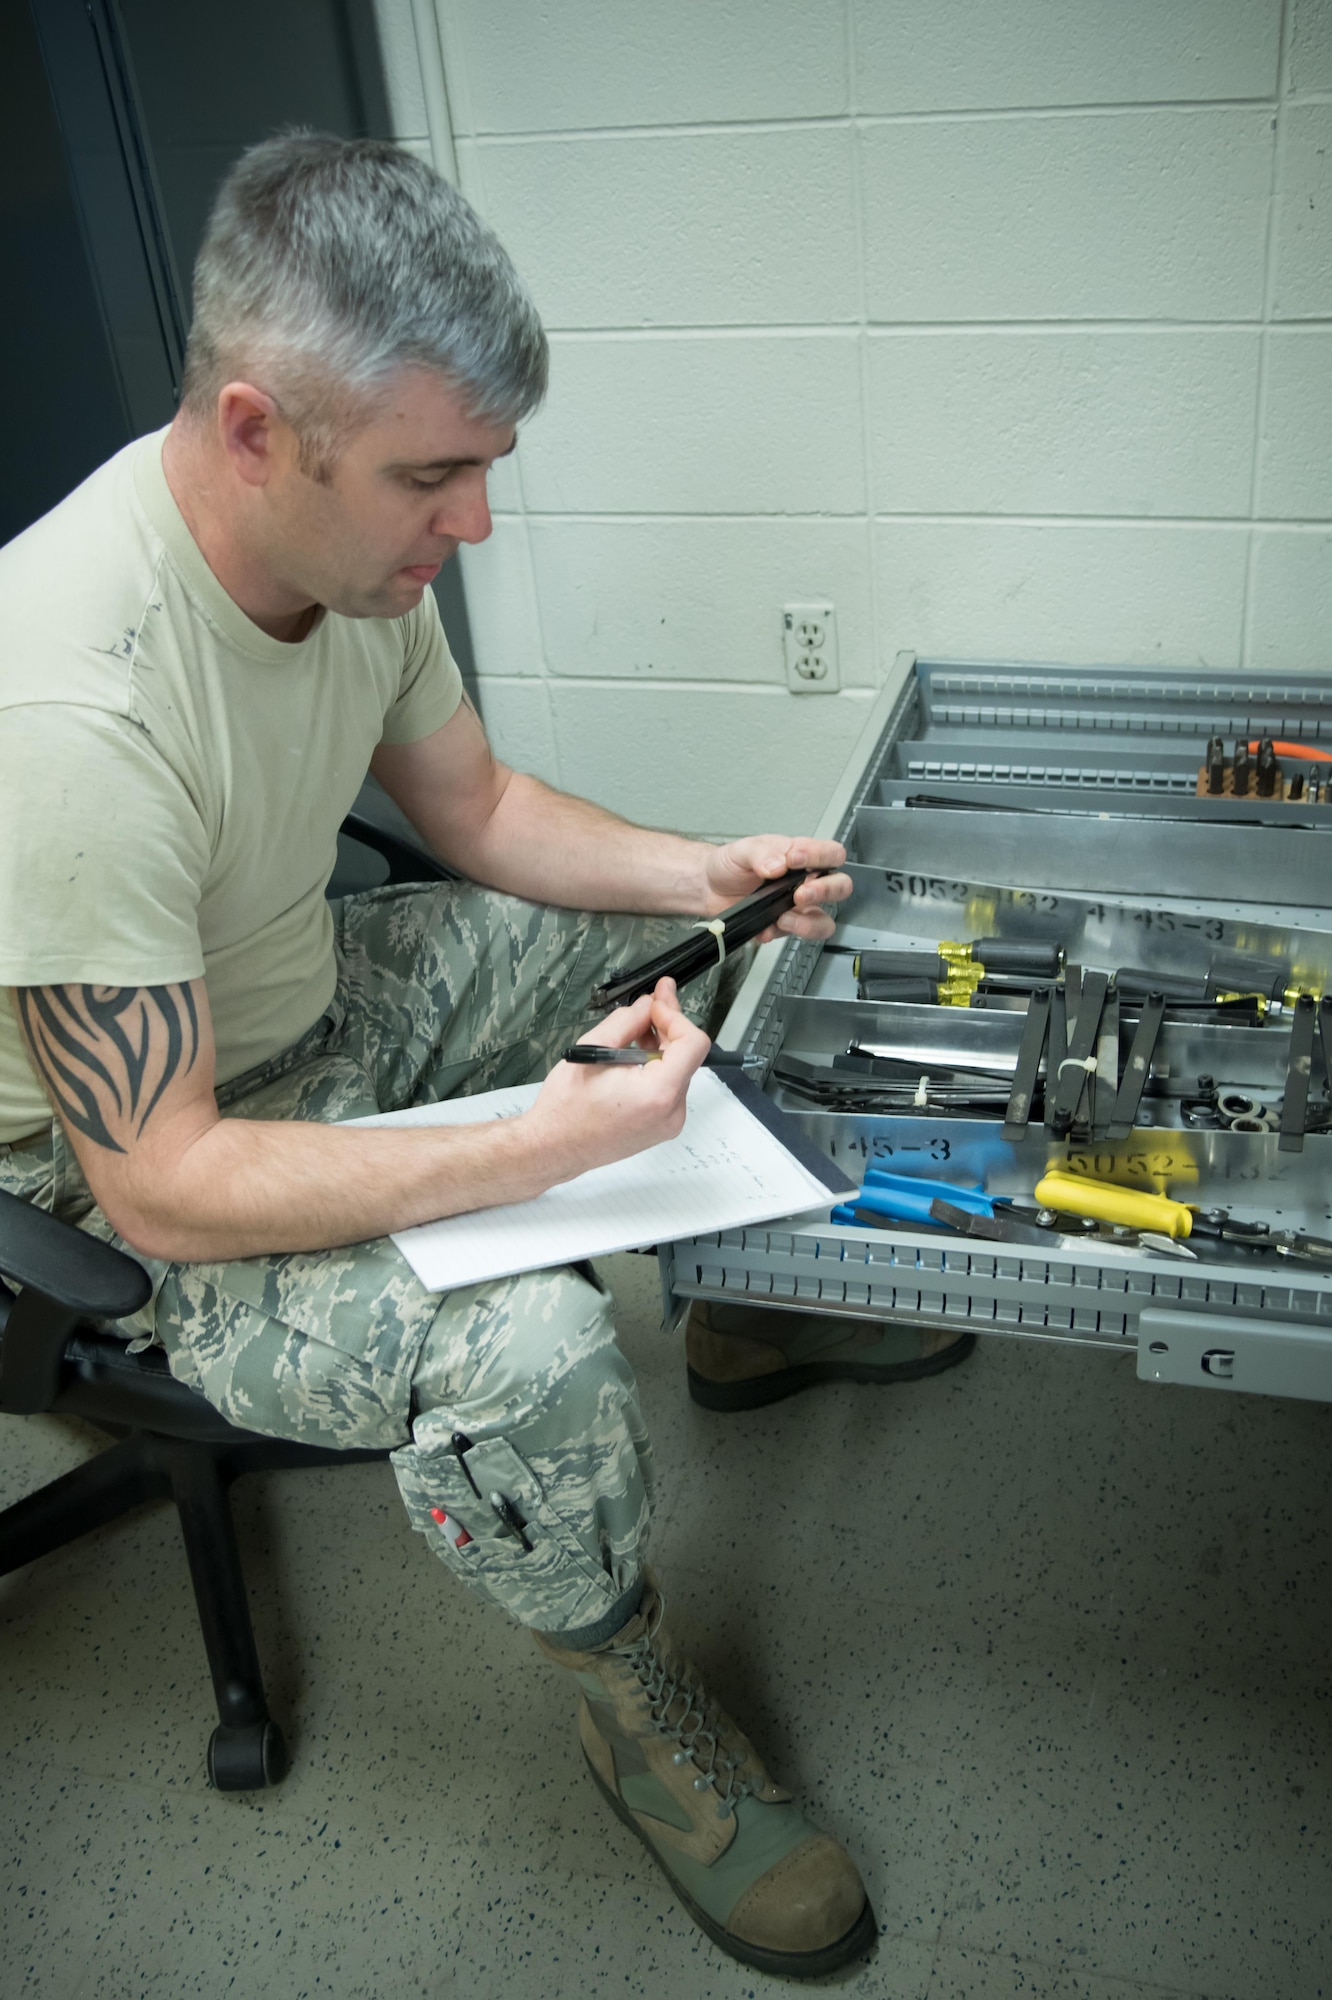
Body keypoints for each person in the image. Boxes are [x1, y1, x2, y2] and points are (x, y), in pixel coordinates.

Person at [0, 134, 960, 1978]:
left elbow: (481, 805)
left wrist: (702, 869)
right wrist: (541, 1151)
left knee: (686, 950)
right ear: (261, 428)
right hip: (135, 1187)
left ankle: (739, 1298)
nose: (474, 527)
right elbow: (168, 1181)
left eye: (482, 472)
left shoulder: (350, 559)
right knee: (528, 1337)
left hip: (302, 997)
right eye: (435, 479)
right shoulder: (73, 706)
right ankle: (626, 1697)